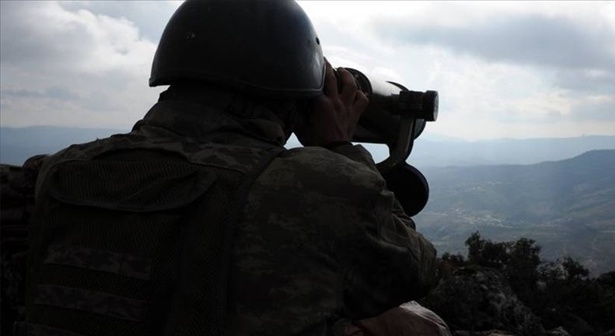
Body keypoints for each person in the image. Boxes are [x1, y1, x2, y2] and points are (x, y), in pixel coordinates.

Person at [20, 1, 441, 335]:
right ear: (294, 98)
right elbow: (415, 270)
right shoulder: (317, 186)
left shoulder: (64, 169)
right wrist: (337, 146)